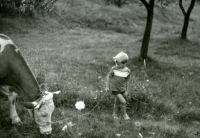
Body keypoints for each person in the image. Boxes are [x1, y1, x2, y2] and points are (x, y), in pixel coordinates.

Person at [105, 52, 130, 121]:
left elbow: (127, 81)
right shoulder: (114, 69)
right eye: (116, 63)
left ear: (124, 63)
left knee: (117, 103)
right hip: (114, 89)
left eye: (118, 64)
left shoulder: (127, 71)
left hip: (122, 89)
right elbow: (108, 77)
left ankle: (114, 114)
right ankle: (125, 115)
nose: (116, 65)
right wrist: (107, 86)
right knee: (123, 102)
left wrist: (127, 91)